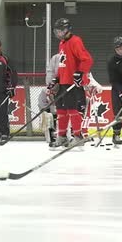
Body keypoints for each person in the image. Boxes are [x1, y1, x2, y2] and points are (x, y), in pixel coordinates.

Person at [50, 18, 94, 149]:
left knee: (72, 110)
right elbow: (63, 64)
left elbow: (87, 60)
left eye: (60, 31)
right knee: (61, 110)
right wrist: (56, 78)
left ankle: (78, 137)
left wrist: (80, 73)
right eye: (56, 31)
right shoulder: (62, 43)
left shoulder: (76, 41)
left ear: (67, 30)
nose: (58, 33)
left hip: (72, 84)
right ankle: (62, 137)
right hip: (63, 82)